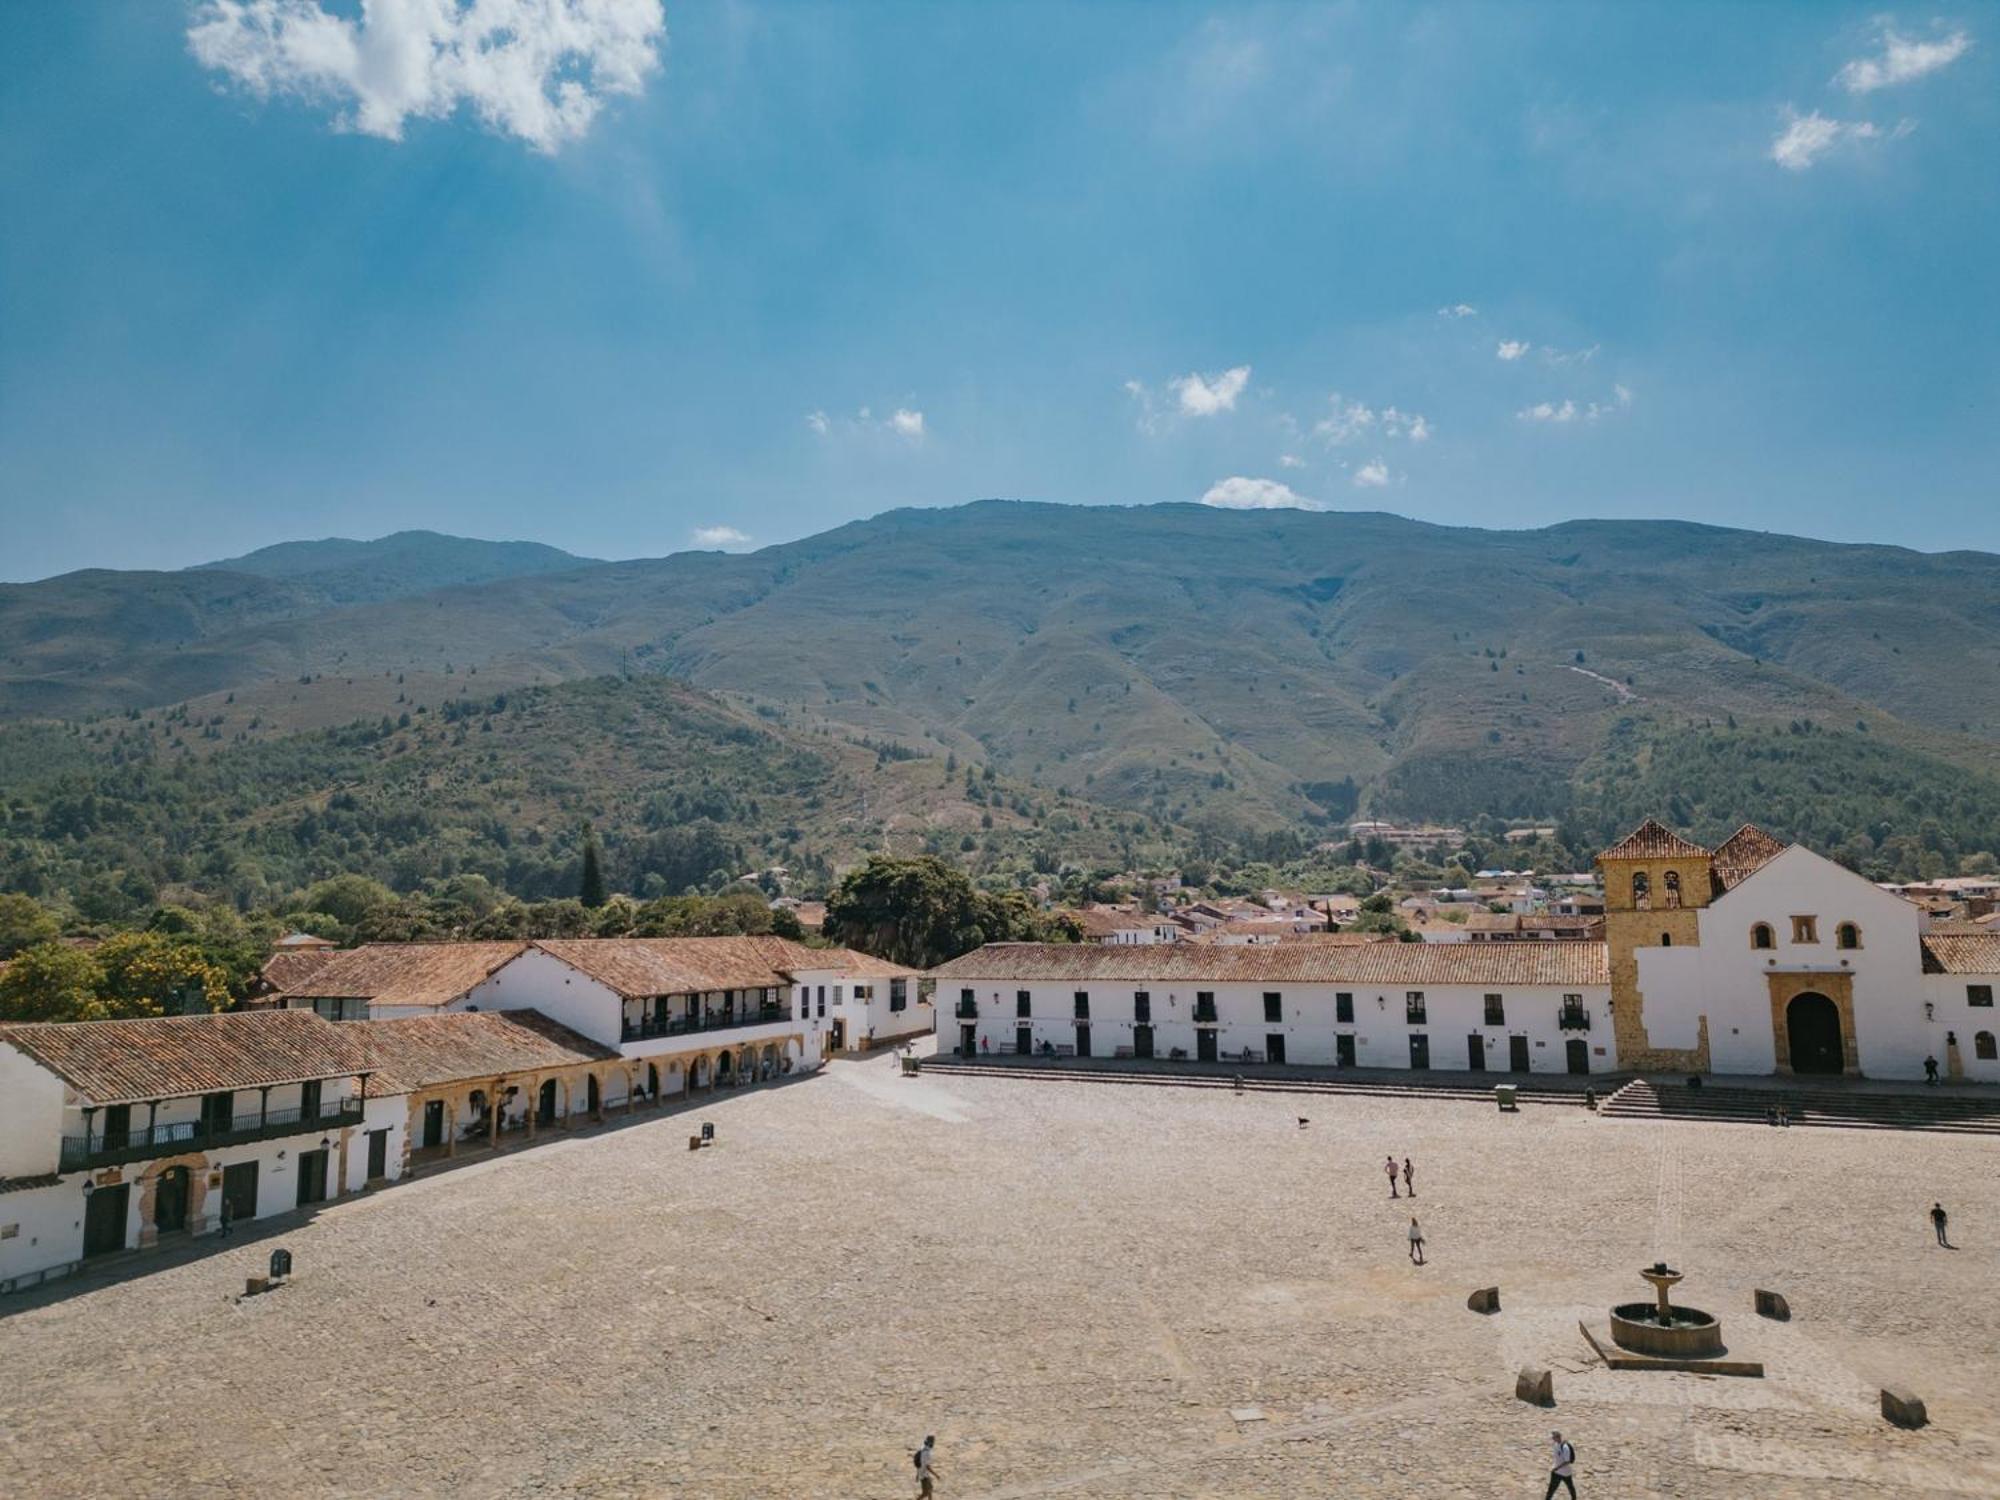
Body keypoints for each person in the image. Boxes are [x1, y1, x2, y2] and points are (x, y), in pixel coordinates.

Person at [1544, 1431, 1577, 1498]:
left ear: (1558, 1437)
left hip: (1565, 1472)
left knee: (1570, 1488)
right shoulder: (1556, 1444)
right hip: (1556, 1472)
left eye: (1553, 1437)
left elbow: (1567, 1461)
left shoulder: (1565, 1447)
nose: (1552, 1439)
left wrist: (1557, 1468)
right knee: (1551, 1489)